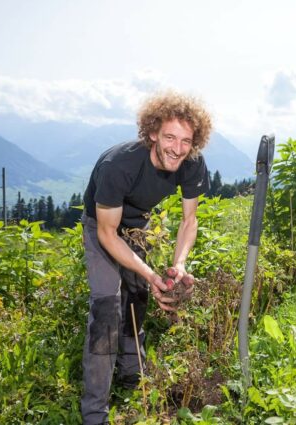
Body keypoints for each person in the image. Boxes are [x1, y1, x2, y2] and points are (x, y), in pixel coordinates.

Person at [80, 91, 211, 424]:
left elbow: (189, 221)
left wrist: (178, 264)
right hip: (103, 227)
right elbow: (108, 235)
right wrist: (151, 273)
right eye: (169, 137)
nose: (177, 149)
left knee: (137, 296)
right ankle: (94, 413)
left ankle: (131, 375)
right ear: (153, 132)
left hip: (138, 225)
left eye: (186, 141)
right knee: (107, 306)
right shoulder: (118, 165)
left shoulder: (191, 161)